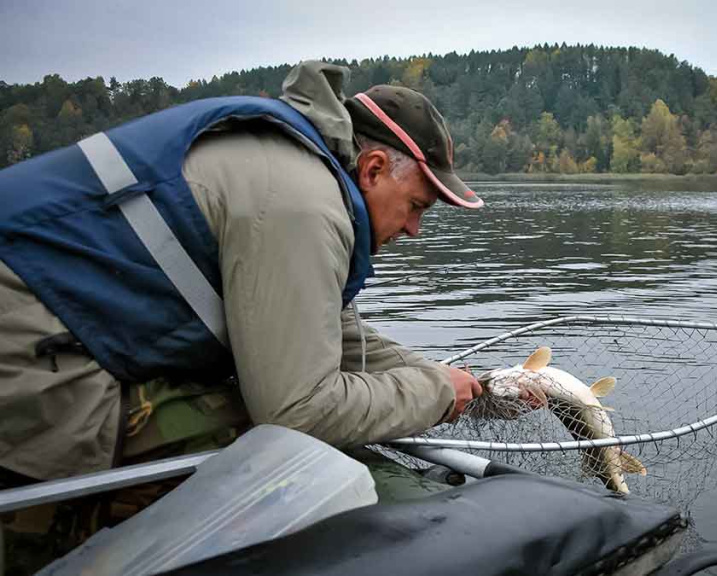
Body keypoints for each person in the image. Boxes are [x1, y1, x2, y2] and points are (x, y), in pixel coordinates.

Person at [0, 61, 483, 572]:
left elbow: (326, 328)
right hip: (30, 368)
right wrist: (434, 393)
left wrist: (444, 378)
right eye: (416, 206)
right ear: (374, 168)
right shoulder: (301, 203)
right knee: (260, 436)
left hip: (55, 333)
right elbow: (300, 411)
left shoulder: (287, 162)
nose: (414, 230)